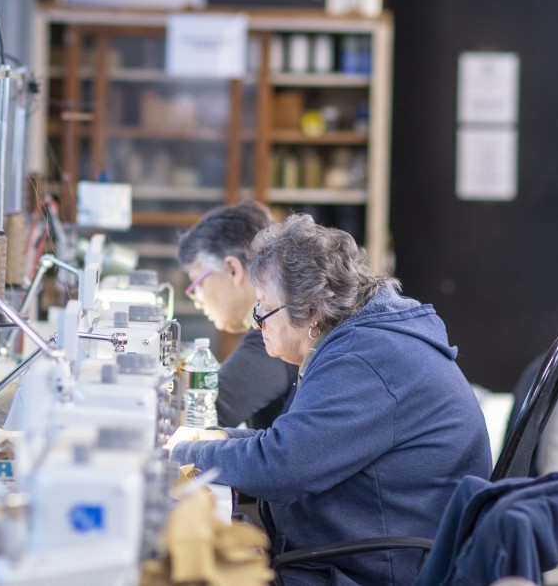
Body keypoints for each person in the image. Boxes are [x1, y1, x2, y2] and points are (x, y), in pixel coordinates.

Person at [168, 214, 492, 586]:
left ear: (310, 312)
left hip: (376, 568)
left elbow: (282, 466)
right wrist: (215, 437)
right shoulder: (364, 338)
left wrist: (183, 454)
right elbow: (295, 441)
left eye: (264, 309)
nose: (257, 324)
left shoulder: (364, 359)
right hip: (371, 543)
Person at [177, 200, 298, 428]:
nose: (197, 302)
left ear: (233, 270)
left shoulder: (276, 331)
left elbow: (206, 415)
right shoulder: (284, 317)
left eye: (197, 285)